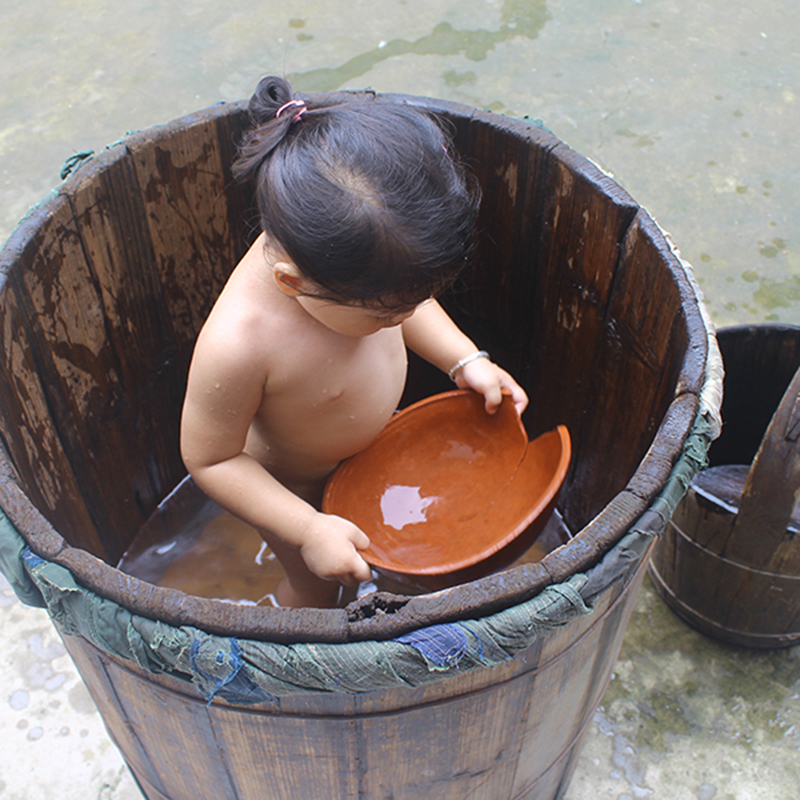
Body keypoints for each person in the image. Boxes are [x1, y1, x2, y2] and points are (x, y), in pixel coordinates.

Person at [180, 76, 528, 608]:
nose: (404, 320)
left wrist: (465, 359)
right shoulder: (242, 343)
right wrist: (307, 527)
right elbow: (211, 460)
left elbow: (403, 305)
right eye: (387, 316)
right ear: (294, 284)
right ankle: (294, 657)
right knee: (320, 586)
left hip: (377, 455)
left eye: (411, 304)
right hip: (292, 487)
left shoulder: (358, 276)